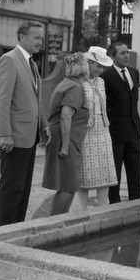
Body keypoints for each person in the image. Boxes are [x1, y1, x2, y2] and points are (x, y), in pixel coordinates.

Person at [0, 20, 50, 226]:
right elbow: (1, 100)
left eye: (42, 38)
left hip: (30, 136)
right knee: (12, 187)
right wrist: (5, 133)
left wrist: (43, 125)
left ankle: (17, 228)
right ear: (22, 37)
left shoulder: (32, 64)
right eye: (36, 38)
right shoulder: (9, 60)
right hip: (15, 137)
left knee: (23, 188)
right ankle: (5, 232)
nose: (40, 42)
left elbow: (36, 99)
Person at [42, 53, 90, 216]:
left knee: (69, 185)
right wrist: (65, 146)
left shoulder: (67, 83)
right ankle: (55, 223)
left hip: (67, 138)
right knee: (69, 185)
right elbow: (65, 116)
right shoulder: (74, 87)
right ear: (83, 68)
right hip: (66, 139)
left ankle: (61, 221)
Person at [76, 47, 118, 210]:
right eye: (98, 66)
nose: (100, 70)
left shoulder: (101, 82)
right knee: (85, 170)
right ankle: (81, 209)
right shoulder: (78, 81)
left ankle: (103, 207)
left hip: (103, 129)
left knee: (105, 168)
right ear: (89, 63)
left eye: (102, 67)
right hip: (85, 131)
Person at [103, 41, 140, 203]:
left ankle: (137, 203)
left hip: (134, 131)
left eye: (127, 52)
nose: (127, 56)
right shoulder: (105, 76)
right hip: (116, 133)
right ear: (112, 56)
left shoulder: (134, 72)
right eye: (122, 53)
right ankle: (114, 204)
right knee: (115, 173)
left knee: (136, 171)